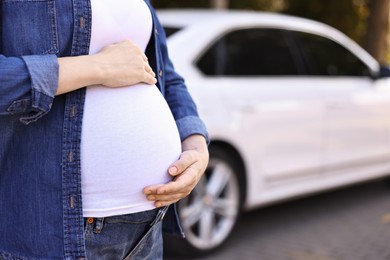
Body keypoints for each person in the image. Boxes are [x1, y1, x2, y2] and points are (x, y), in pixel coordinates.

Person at [0, 0, 209, 259]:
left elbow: (165, 74)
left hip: (149, 222)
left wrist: (195, 143)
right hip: (58, 232)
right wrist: (97, 67)